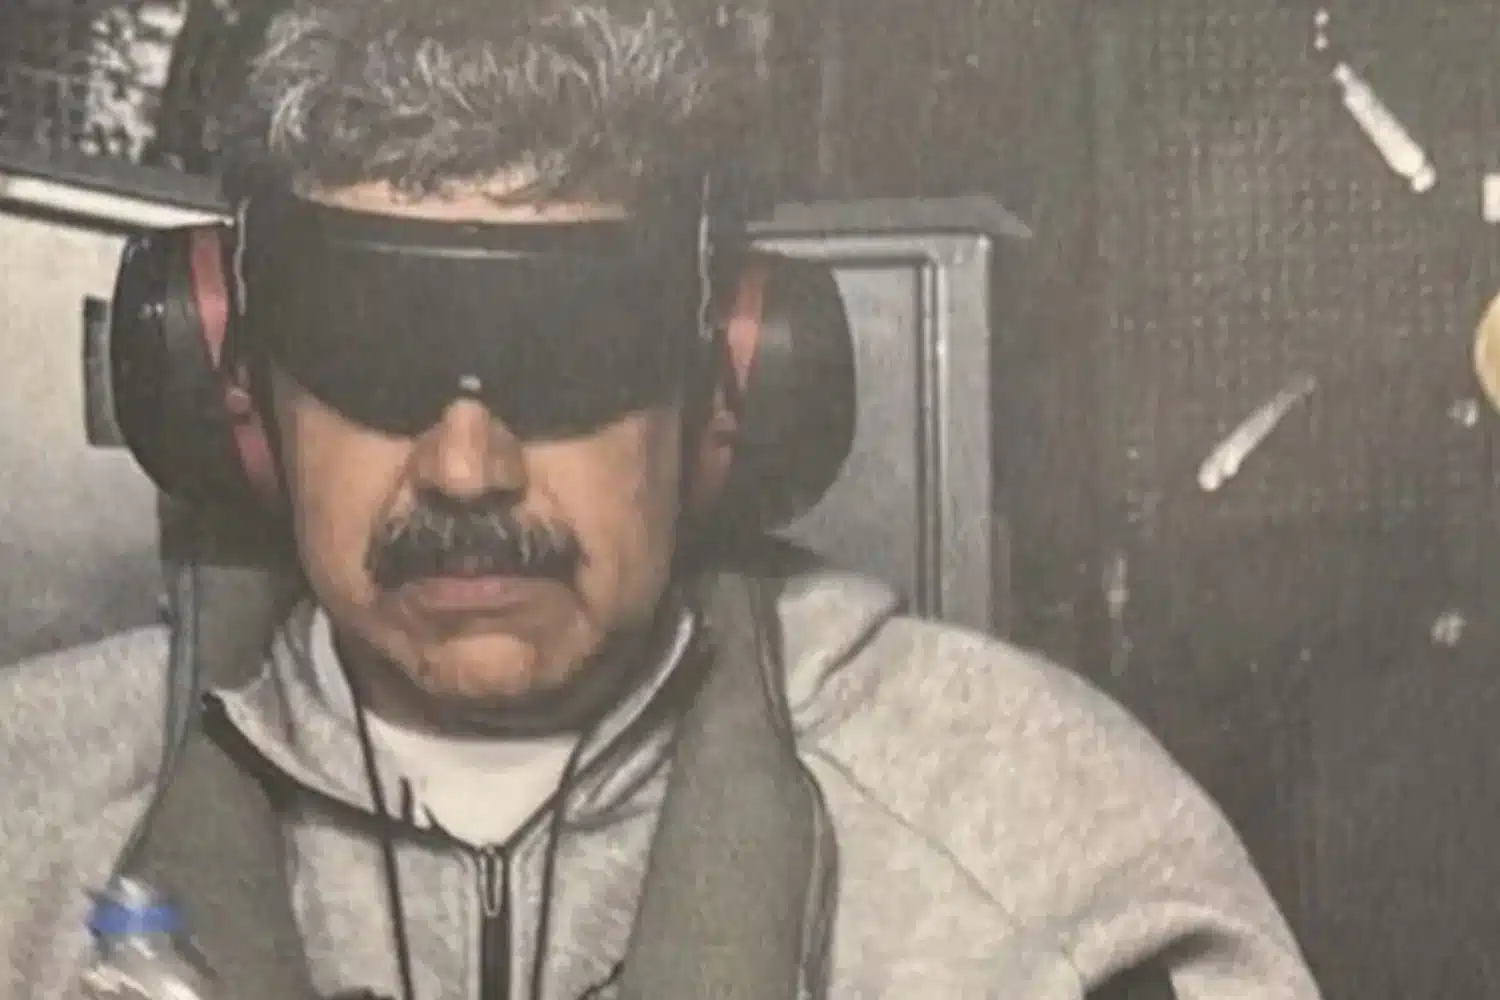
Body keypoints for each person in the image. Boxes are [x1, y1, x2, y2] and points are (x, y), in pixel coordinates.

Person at [0, 1, 1321, 998]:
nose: (466, 467)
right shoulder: (32, 820)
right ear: (234, 381)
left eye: (568, 354)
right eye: (372, 347)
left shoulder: (1049, 852)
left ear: (729, 379)